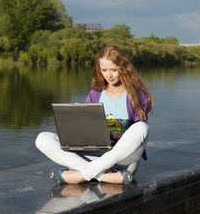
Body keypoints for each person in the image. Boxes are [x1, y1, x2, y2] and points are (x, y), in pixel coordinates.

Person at [36, 45, 153, 185]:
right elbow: (88, 128)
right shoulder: (95, 93)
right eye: (104, 70)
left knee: (142, 128)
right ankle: (103, 176)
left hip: (122, 159)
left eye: (113, 70)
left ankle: (80, 174)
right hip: (94, 156)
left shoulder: (138, 95)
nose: (108, 75)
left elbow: (136, 136)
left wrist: (118, 136)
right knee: (42, 139)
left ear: (123, 68)